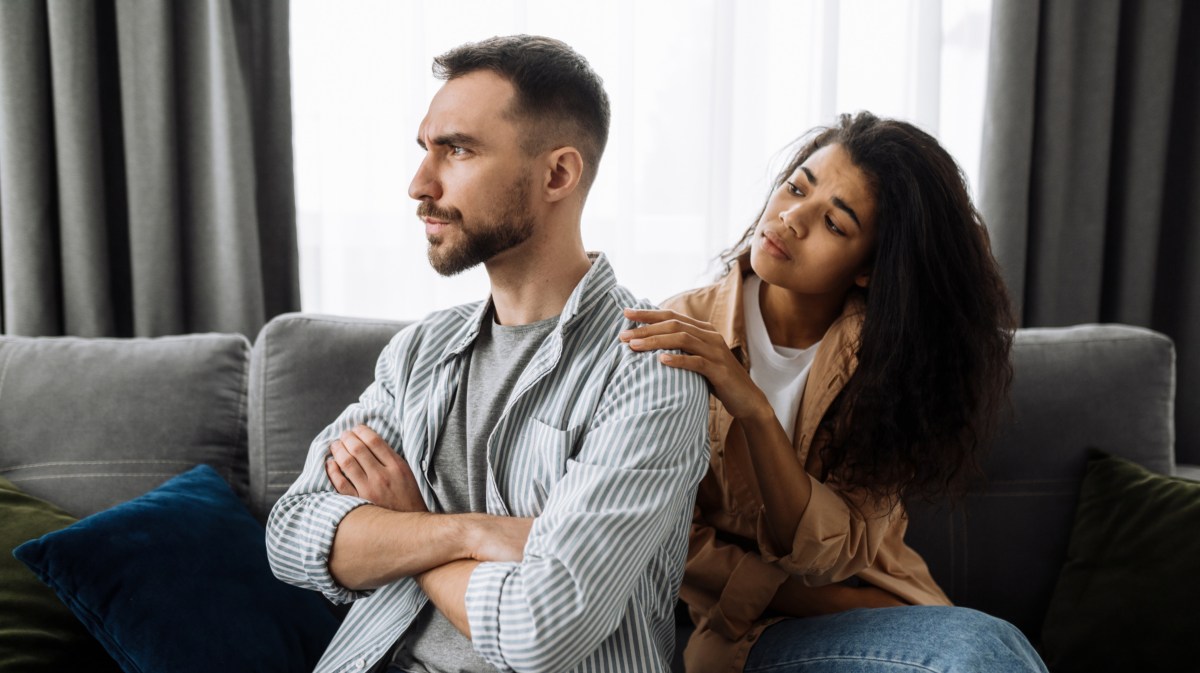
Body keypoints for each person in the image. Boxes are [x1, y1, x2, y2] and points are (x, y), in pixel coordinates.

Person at [266, 35, 709, 673]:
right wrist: (467, 532)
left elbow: (542, 632)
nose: (420, 184)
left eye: (459, 150)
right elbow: (293, 533)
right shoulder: (421, 351)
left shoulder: (645, 371)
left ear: (557, 173)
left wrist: (406, 524)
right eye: (426, 149)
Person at [620, 112, 1049, 672]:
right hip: (750, 632)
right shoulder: (680, 331)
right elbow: (662, 540)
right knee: (973, 651)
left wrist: (753, 409)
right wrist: (840, 602)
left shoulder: (893, 359)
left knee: (988, 645)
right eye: (796, 187)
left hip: (896, 613)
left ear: (869, 269)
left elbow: (835, 550)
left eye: (835, 224)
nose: (791, 217)